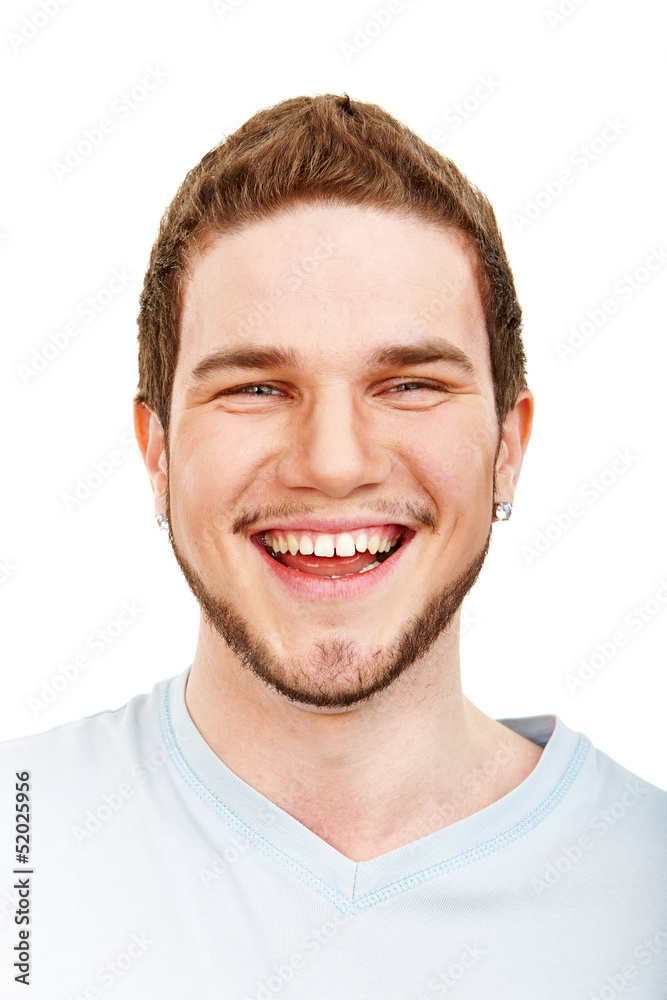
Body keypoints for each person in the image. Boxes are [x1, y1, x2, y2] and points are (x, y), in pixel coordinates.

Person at [1, 93, 665, 999]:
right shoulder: (21, 835)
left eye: (409, 384)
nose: (334, 463)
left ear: (507, 449)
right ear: (157, 452)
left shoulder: (646, 883)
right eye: (256, 388)